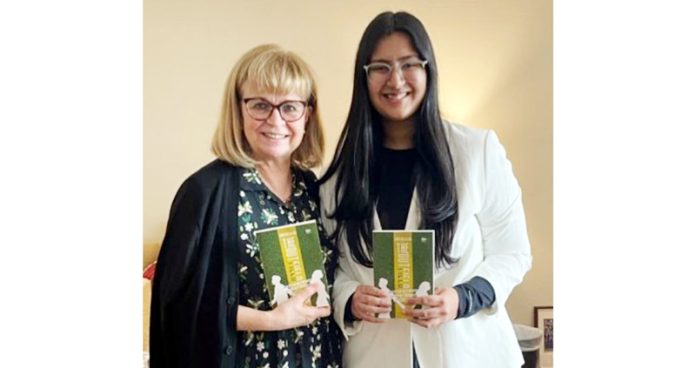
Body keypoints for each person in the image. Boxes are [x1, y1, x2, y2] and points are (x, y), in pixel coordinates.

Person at [319, 11, 532, 368]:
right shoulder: (340, 173)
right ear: (365, 77)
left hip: (467, 352)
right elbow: (331, 268)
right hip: (376, 353)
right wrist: (350, 298)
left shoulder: (476, 151)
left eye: (408, 64)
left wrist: (460, 299)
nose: (395, 79)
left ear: (427, 69)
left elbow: (513, 253)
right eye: (380, 67)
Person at [150, 44, 342, 368]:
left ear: (307, 114)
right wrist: (272, 320)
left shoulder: (315, 189)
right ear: (238, 109)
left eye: (290, 107)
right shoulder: (204, 192)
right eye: (260, 105)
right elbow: (178, 306)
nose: (276, 119)